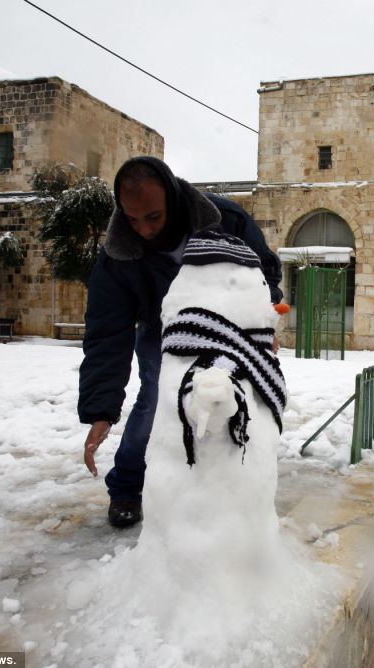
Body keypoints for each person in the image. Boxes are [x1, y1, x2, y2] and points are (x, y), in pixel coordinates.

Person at [77, 156, 282, 528]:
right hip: (161, 333)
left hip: (228, 328)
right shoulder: (118, 254)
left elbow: (263, 270)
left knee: (226, 399)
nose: (143, 229)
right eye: (133, 218)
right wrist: (101, 411)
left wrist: (262, 323)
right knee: (157, 400)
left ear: (171, 199)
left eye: (153, 217)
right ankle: (126, 486)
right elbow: (107, 333)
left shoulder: (224, 219)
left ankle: (225, 488)